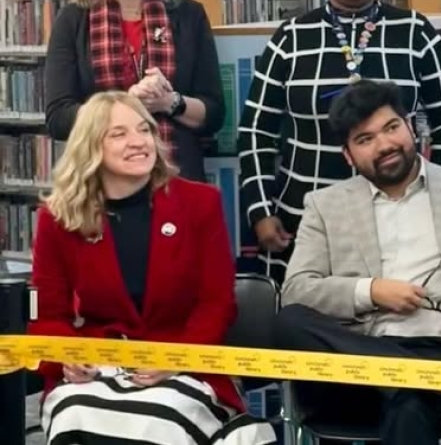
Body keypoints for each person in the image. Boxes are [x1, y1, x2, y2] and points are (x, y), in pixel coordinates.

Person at [271, 80, 441, 444]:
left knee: (409, 405)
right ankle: (421, 381)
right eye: (365, 139)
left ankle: (419, 382)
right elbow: (297, 289)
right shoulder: (325, 206)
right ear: (348, 155)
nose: (384, 145)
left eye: (391, 128)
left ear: (411, 127)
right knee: (289, 320)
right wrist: (371, 291)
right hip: (354, 360)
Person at [28, 91, 275, 445]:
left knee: (161, 420)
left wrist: (176, 357)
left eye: (144, 129)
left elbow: (217, 304)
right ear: (89, 147)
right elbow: (46, 316)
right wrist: (68, 357)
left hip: (182, 366)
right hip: (98, 369)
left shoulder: (200, 203)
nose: (138, 141)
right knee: (74, 414)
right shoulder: (56, 219)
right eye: (119, 134)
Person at [238, 0, 441, 282]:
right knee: (306, 310)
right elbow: (255, 132)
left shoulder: (415, 32)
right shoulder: (291, 38)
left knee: (396, 308)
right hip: (304, 215)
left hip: (402, 213)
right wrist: (261, 209)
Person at [44, 0, 225, 182]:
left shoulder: (189, 15)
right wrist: (126, 105)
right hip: (100, 181)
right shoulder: (73, 19)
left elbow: (213, 114)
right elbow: (58, 119)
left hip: (178, 178)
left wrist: (169, 102)